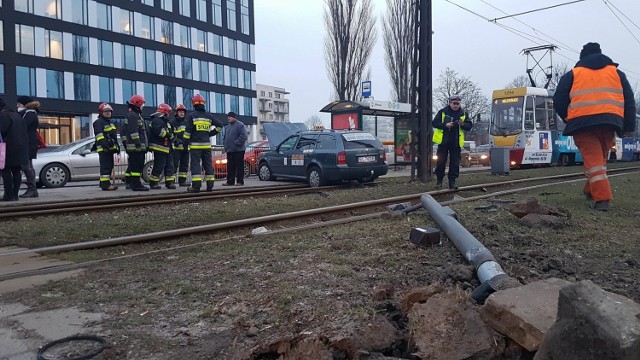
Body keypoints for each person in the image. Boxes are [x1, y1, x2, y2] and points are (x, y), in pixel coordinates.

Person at [553, 42, 636, 212]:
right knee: (599, 162)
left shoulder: (573, 74)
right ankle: (590, 190)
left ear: (582, 58)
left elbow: (559, 100)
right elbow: (629, 101)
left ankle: (602, 199)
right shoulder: (617, 73)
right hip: (610, 122)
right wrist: (628, 126)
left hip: (582, 124)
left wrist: (569, 118)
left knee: (595, 162)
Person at [183, 94, 223, 192]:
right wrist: (210, 134)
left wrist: (185, 144)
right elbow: (220, 126)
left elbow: (187, 133)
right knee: (208, 164)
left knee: (196, 165)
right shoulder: (209, 116)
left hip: (195, 146)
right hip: (206, 145)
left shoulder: (192, 116)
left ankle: (196, 186)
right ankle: (210, 186)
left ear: (194, 104)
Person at [432, 95, 473, 189]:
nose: (456, 105)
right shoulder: (442, 112)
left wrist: (462, 124)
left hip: (456, 142)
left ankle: (452, 182)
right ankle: (439, 182)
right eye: (454, 103)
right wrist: (445, 125)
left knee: (455, 163)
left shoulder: (463, 113)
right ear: (450, 103)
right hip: (443, 142)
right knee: (441, 162)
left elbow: (469, 126)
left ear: (460, 104)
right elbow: (434, 123)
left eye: (457, 103)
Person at [0, 98, 29, 201]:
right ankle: (15, 194)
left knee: (5, 170)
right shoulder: (17, 115)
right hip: (20, 148)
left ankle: (8, 195)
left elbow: (2, 130)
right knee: (16, 171)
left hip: (8, 148)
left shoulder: (3, 115)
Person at [122, 94, 149, 191]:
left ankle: (131, 182)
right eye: (142, 104)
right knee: (137, 167)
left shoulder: (134, 115)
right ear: (137, 104)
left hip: (137, 147)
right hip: (136, 147)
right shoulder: (133, 116)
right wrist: (137, 142)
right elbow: (133, 131)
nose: (143, 106)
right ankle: (136, 185)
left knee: (135, 165)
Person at [16, 96, 40, 198]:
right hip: (29, 143)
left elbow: (22, 126)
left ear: (24, 104)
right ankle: (32, 189)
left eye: (18, 103)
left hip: (28, 143)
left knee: (26, 166)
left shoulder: (29, 113)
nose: (17, 105)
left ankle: (32, 189)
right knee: (28, 166)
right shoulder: (30, 113)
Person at [148, 103, 176, 189]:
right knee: (159, 166)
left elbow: (171, 133)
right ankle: (153, 183)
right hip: (159, 147)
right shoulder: (157, 120)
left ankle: (169, 183)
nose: (169, 114)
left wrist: (172, 137)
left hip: (167, 148)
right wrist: (168, 134)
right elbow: (158, 132)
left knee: (170, 166)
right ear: (165, 112)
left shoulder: (165, 122)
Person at [93, 103, 119, 191]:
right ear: (101, 112)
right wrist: (105, 145)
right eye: (106, 111)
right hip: (104, 149)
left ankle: (102, 183)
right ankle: (106, 185)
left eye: (109, 111)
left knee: (109, 166)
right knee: (106, 167)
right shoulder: (98, 122)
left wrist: (117, 146)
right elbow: (99, 136)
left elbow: (114, 137)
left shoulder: (110, 123)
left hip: (110, 149)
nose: (108, 113)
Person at [222, 112, 248, 186]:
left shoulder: (240, 125)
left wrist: (236, 143)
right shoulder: (228, 127)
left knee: (239, 166)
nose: (228, 118)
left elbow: (244, 136)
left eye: (230, 117)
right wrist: (225, 145)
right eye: (227, 117)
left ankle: (240, 181)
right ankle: (230, 181)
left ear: (234, 117)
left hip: (238, 151)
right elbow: (224, 137)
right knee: (230, 167)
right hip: (230, 150)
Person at [170, 104, 190, 187]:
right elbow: (170, 134)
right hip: (176, 148)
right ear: (176, 113)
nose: (182, 113)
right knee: (174, 165)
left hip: (186, 148)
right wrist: (175, 140)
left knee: (184, 166)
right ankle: (171, 182)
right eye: (180, 112)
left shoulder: (187, 122)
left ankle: (182, 181)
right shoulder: (172, 122)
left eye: (183, 112)